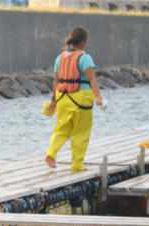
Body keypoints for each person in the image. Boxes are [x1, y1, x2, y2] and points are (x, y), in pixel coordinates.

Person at [45, 26, 104, 172]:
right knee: (81, 132)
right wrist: (98, 96)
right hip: (80, 99)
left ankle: (51, 153)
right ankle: (77, 164)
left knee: (61, 128)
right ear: (83, 42)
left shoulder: (60, 57)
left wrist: (53, 100)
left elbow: (56, 81)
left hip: (62, 98)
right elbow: (92, 79)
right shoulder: (85, 58)